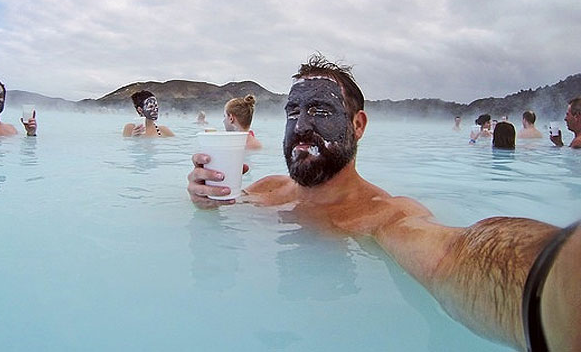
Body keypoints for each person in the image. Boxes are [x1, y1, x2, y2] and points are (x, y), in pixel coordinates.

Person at [187, 55, 579, 350]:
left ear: (358, 125)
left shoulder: (385, 216)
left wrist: (557, 287)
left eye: (320, 111)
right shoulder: (265, 189)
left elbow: (454, 256)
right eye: (293, 112)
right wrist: (204, 197)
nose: (301, 125)